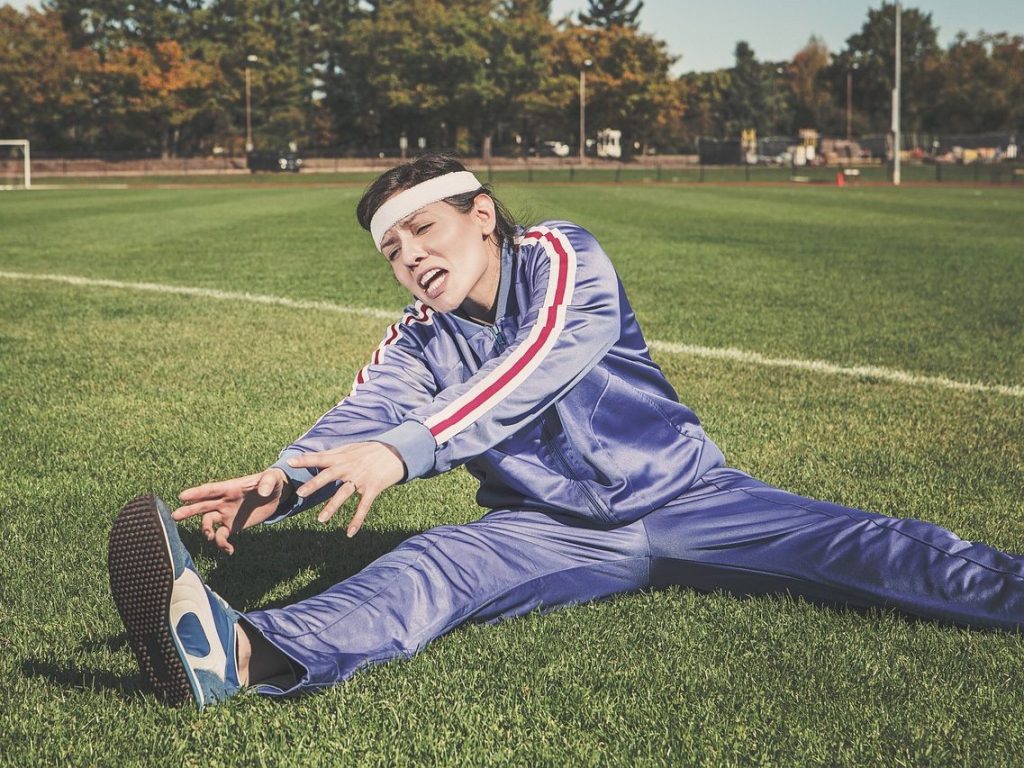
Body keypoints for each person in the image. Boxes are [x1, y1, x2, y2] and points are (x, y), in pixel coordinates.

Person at [108, 153, 1024, 710]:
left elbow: (540, 361)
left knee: (875, 549)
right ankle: (237, 653)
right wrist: (284, 482)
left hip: (692, 498)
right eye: (392, 250)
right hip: (545, 530)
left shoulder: (561, 256)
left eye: (423, 230)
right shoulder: (417, 341)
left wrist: (405, 450)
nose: (411, 258)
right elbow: (360, 418)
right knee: (428, 569)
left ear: (479, 214)